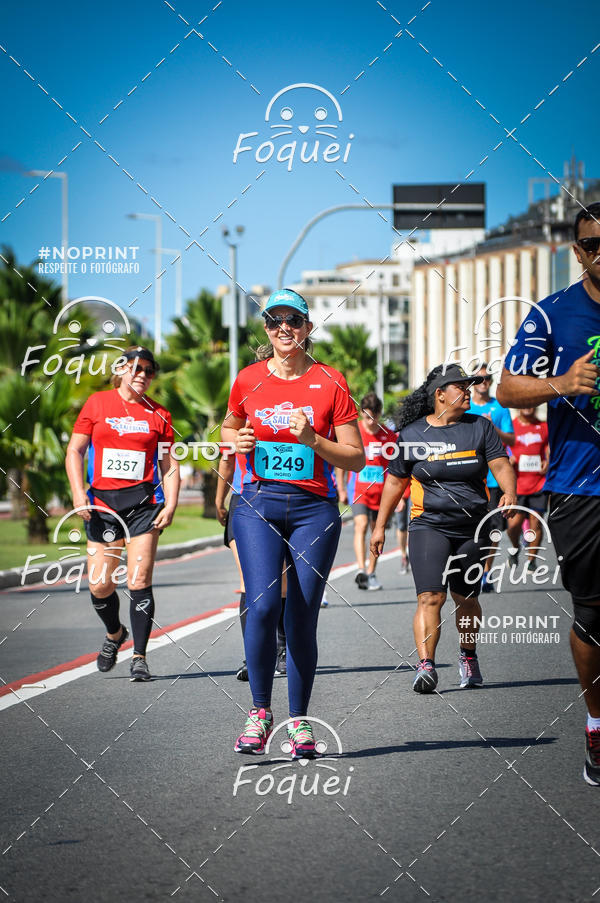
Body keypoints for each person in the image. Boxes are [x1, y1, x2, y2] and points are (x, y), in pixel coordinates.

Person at [221, 288, 364, 756]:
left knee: (301, 619)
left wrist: (314, 440)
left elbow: (358, 457)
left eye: (294, 321)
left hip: (313, 510)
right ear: (266, 328)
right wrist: (237, 440)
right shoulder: (247, 379)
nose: (285, 328)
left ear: (307, 327)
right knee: (262, 606)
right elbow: (228, 425)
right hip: (258, 503)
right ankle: (260, 712)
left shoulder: (331, 380)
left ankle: (299, 723)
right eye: (275, 321)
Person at [497, 202, 600, 786]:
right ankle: (596, 721)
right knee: (592, 614)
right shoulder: (551, 314)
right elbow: (509, 386)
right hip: (580, 486)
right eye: (594, 244)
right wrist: (561, 383)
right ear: (579, 251)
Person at [370, 364, 516, 693]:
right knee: (430, 597)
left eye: (469, 386)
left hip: (471, 527)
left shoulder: (480, 427)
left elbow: (500, 463)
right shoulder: (411, 435)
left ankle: (468, 654)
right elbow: (395, 482)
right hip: (428, 525)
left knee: (465, 599)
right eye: (460, 387)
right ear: (440, 394)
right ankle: (426, 666)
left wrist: (509, 492)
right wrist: (379, 527)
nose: (467, 391)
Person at [65, 346, 180, 682]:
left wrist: (170, 503)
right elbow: (75, 449)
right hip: (101, 506)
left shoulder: (159, 414)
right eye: (137, 368)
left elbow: (169, 463)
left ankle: (140, 657)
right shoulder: (98, 403)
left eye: (150, 370)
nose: (143, 375)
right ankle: (115, 633)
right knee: (100, 586)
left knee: (139, 580)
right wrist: (77, 492)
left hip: (143, 506)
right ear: (121, 369)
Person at [215, 453, 287, 680]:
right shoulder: (238, 420)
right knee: (248, 580)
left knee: (282, 581)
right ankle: (253, 656)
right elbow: (227, 459)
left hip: (284, 496)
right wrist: (219, 500)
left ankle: (282, 648)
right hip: (244, 498)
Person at [336, 392, 397, 591]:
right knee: (360, 525)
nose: (370, 422)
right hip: (359, 490)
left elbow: (396, 468)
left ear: (380, 415)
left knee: (375, 533)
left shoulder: (388, 436)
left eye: (374, 417)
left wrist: (401, 497)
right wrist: (342, 487)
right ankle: (361, 570)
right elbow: (343, 459)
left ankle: (371, 571)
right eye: (366, 416)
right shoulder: (354, 432)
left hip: (381, 493)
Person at [467, 364, 515, 591]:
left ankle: (486, 572)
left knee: (494, 529)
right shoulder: (465, 409)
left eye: (487, 378)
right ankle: (471, 568)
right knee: (472, 527)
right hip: (470, 478)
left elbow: (512, 440)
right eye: (479, 379)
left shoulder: (500, 408)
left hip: (494, 480)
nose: (484, 382)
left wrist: (491, 427)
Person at [506, 407, 549, 570]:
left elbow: (549, 448)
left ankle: (531, 560)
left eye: (531, 404)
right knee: (513, 526)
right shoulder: (512, 427)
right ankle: (515, 547)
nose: (528, 407)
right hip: (517, 485)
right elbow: (501, 449)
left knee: (536, 523)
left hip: (538, 483)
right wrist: (509, 459)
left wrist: (548, 462)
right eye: (524, 404)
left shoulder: (544, 427)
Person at [394, 484, 411, 575]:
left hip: (414, 489)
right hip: (398, 489)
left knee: (412, 524)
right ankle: (404, 556)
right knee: (401, 526)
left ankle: (414, 556)